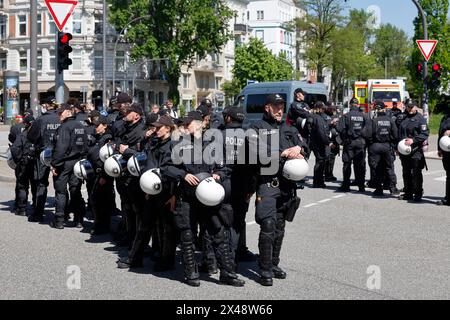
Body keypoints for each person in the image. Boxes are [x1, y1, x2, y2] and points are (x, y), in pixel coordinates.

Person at [166, 111, 245, 287]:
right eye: (183, 125)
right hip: (187, 196)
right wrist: (183, 175)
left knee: (219, 233)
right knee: (188, 235)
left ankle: (227, 273)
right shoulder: (178, 144)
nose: (185, 128)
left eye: (188, 124)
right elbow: (166, 168)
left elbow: (225, 167)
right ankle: (191, 273)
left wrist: (218, 174)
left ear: (201, 123)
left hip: (209, 196)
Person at [249, 94, 307, 286]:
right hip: (267, 183)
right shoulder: (257, 128)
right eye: (276, 106)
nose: (280, 110)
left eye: (282, 106)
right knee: (268, 225)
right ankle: (264, 269)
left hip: (287, 185)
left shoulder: (289, 128)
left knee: (280, 227)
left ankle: (273, 264)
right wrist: (281, 153)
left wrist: (299, 148)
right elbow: (255, 154)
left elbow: (304, 143)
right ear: (267, 108)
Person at [221, 106, 255, 265]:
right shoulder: (250, 137)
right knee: (238, 221)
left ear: (228, 118)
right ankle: (236, 254)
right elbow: (255, 166)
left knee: (221, 222)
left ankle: (221, 259)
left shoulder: (218, 135)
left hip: (222, 184)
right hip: (243, 185)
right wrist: (251, 188)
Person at [50, 104, 87, 229]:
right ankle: (78, 219)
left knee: (60, 191)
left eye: (61, 112)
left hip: (64, 163)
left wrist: (54, 165)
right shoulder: (81, 126)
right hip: (77, 163)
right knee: (75, 190)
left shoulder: (64, 127)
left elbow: (61, 148)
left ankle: (59, 220)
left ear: (67, 112)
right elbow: (85, 146)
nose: (58, 115)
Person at [27, 99, 61, 222]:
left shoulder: (41, 119)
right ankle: (62, 214)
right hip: (58, 154)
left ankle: (38, 212)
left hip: (42, 155)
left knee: (40, 183)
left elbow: (31, 136)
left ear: (46, 105)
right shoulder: (60, 118)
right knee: (61, 185)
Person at [86, 115, 115, 235]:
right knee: (96, 200)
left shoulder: (107, 139)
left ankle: (102, 226)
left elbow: (108, 159)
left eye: (98, 125)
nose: (95, 128)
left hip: (102, 174)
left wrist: (104, 176)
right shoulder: (98, 137)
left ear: (105, 126)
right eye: (95, 125)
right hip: (94, 173)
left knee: (101, 201)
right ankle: (100, 224)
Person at [397, 100, 429, 202]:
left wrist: (413, 140)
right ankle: (408, 193)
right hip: (404, 151)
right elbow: (398, 133)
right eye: (408, 107)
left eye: (412, 107)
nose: (410, 109)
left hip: (416, 150)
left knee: (416, 172)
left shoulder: (421, 119)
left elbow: (424, 134)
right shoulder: (402, 117)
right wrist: (397, 147)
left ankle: (418, 193)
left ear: (416, 106)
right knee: (406, 172)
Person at [337, 97, 370, 192]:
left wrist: (344, 138)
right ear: (358, 104)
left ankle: (346, 185)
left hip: (349, 142)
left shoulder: (346, 116)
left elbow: (340, 129)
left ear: (350, 105)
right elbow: (369, 130)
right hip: (361, 143)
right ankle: (361, 186)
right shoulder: (365, 116)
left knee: (347, 164)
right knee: (360, 164)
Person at [367, 101, 399, 197]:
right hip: (387, 146)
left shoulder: (374, 121)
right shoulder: (390, 120)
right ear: (384, 109)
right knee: (389, 167)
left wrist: (372, 143)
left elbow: (368, 135)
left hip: (375, 146)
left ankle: (378, 189)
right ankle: (392, 188)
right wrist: (391, 144)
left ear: (376, 109)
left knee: (376, 168)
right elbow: (395, 135)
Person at [10, 115, 36, 216]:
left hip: (24, 163)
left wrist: (18, 160)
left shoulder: (22, 135)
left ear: (25, 124)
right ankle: (35, 206)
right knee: (35, 185)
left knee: (22, 186)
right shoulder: (38, 134)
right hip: (34, 163)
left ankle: (22, 209)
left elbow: (14, 148)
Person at [309, 101, 331, 188]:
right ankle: (318, 182)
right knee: (320, 162)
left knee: (320, 161)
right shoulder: (317, 118)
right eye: (322, 108)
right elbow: (321, 132)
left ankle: (318, 181)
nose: (323, 109)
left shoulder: (317, 117)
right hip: (318, 143)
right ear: (318, 108)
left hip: (317, 143)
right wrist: (327, 142)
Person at [437, 104, 450, 206]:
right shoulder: (445, 118)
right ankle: (448, 198)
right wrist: (439, 148)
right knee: (448, 175)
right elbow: (440, 133)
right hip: (446, 150)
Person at [324, 103, 340, 182]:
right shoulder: (323, 115)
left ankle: (330, 174)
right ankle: (326, 174)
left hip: (335, 140)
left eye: (333, 108)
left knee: (332, 157)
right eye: (330, 108)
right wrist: (330, 123)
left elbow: (339, 126)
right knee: (327, 157)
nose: (332, 110)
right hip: (327, 140)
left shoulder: (336, 115)